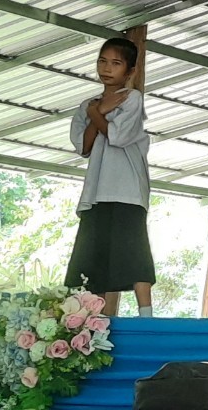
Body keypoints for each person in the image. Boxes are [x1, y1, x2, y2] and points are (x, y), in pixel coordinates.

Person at [65, 37, 156, 317]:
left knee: (134, 250)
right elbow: (84, 146)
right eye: (102, 61)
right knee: (94, 255)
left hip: (128, 189)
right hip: (97, 190)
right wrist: (97, 111)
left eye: (116, 63)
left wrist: (97, 113)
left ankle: (146, 315)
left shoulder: (132, 98)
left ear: (130, 71)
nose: (107, 68)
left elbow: (118, 136)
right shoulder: (87, 105)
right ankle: (93, 320)